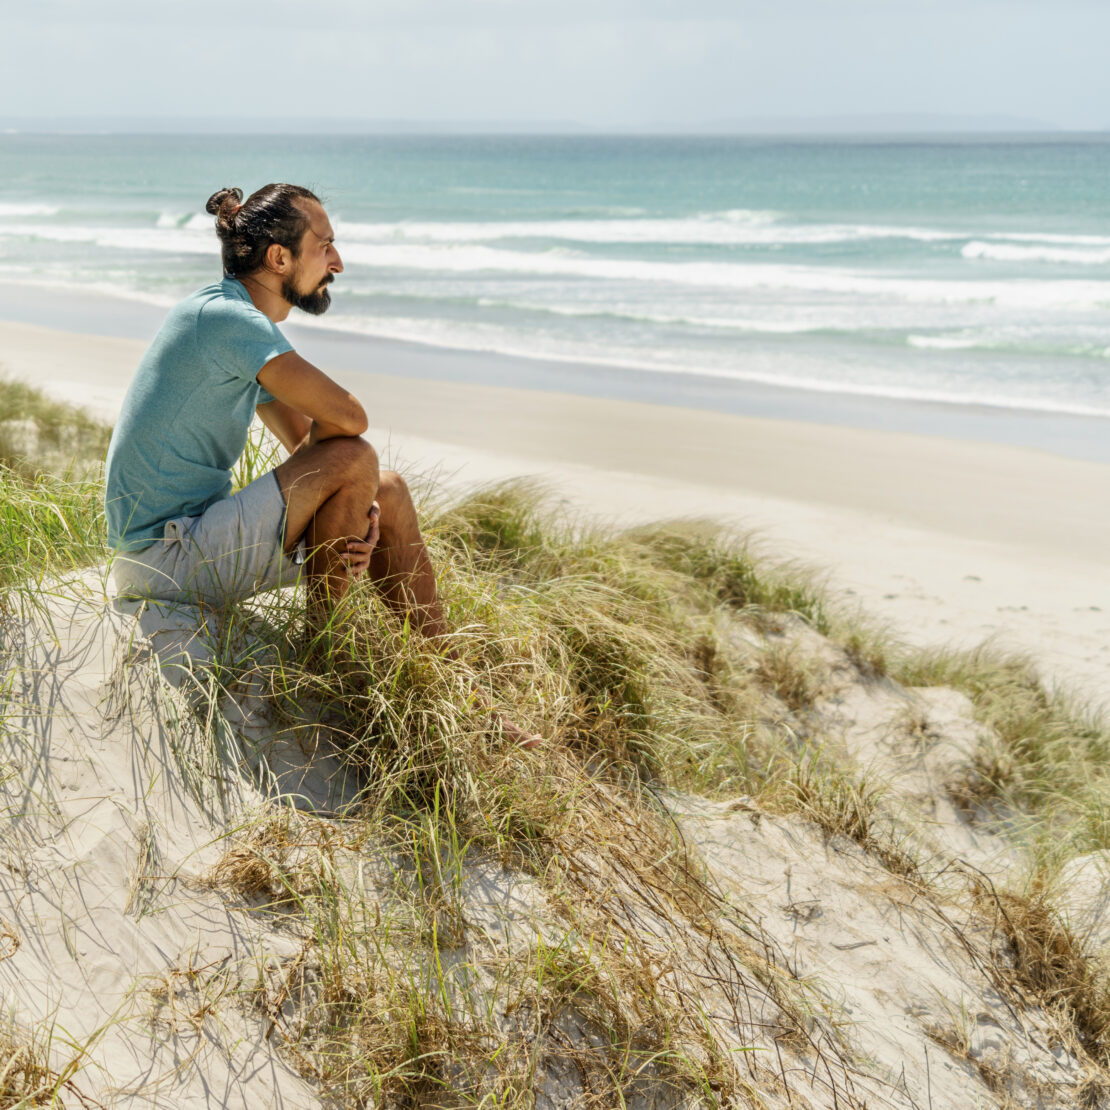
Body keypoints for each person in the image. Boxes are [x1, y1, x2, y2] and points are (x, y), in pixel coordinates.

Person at [105, 182, 539, 748]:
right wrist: (345, 501)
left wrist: (358, 511)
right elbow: (348, 420)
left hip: (186, 546)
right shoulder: (227, 323)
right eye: (325, 245)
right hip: (163, 557)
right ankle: (328, 665)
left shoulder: (229, 323)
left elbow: (305, 440)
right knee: (357, 457)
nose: (337, 262)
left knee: (393, 489)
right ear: (279, 258)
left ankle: (462, 698)